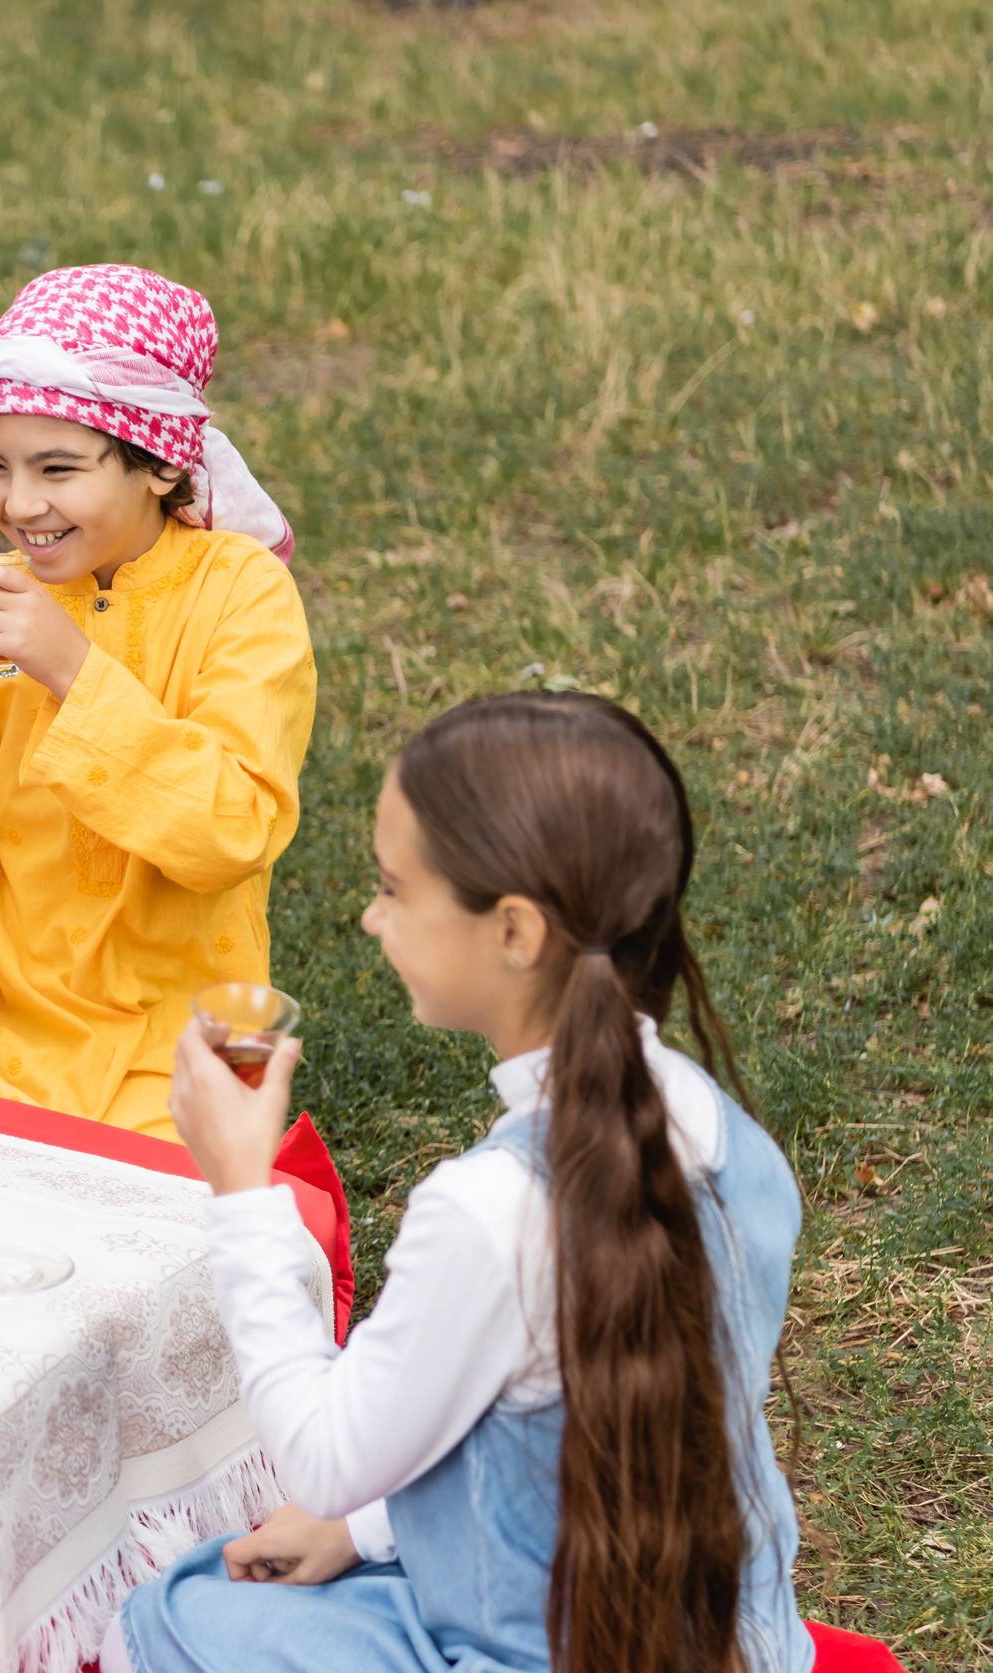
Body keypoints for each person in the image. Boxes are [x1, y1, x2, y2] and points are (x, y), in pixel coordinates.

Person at [106, 692, 810, 1672]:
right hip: (740, 1639)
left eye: (392, 887)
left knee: (171, 1612)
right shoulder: (736, 1143)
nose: (367, 913)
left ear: (514, 931)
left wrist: (237, 1183)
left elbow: (319, 1452)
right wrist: (365, 1529)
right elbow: (602, 1442)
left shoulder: (486, 1214)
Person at [0, 263, 314, 1140]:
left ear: (159, 462)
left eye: (58, 468)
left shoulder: (243, 596)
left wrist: (72, 668)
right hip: (0, 1061)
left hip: (186, 1059)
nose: (19, 503)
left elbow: (231, 833)